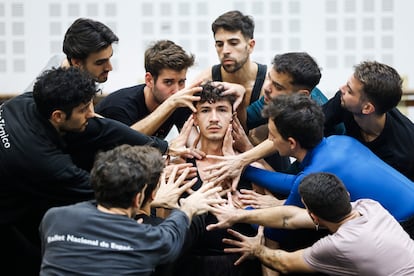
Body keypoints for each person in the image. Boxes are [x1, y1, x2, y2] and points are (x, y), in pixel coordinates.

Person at [0, 67, 200, 275]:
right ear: (58, 116)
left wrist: (162, 146)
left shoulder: (32, 101)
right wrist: (154, 198)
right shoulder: (45, 163)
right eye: (83, 110)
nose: (91, 113)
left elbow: (102, 127)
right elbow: (108, 193)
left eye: (90, 104)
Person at [39, 144, 224, 275]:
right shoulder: (149, 240)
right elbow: (177, 226)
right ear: (137, 198)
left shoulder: (54, 217)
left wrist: (149, 200)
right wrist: (189, 206)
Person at [207, 172, 414, 275]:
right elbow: (291, 218)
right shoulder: (369, 207)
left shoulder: (340, 244)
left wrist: (256, 249)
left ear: (315, 216)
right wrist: (240, 215)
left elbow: (284, 263)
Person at [171, 82, 262, 276]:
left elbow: (272, 219)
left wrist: (260, 240)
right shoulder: (179, 167)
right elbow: (165, 225)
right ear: (194, 118)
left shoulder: (250, 166)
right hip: (189, 265)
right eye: (205, 110)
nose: (214, 118)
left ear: (232, 116)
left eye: (221, 110)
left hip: (241, 265)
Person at [323, 60, 414, 181]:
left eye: (350, 91)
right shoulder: (345, 100)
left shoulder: (400, 155)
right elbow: (313, 124)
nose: (342, 89)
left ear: (367, 108)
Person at [95, 39, 201, 139]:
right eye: (168, 82)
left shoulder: (178, 101)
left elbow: (194, 144)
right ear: (149, 80)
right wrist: (170, 104)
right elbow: (126, 143)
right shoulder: (119, 106)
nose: (177, 91)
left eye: (181, 82)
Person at [25, 17, 119, 91]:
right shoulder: (50, 94)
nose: (109, 68)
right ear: (77, 63)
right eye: (100, 62)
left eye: (109, 58)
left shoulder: (85, 73)